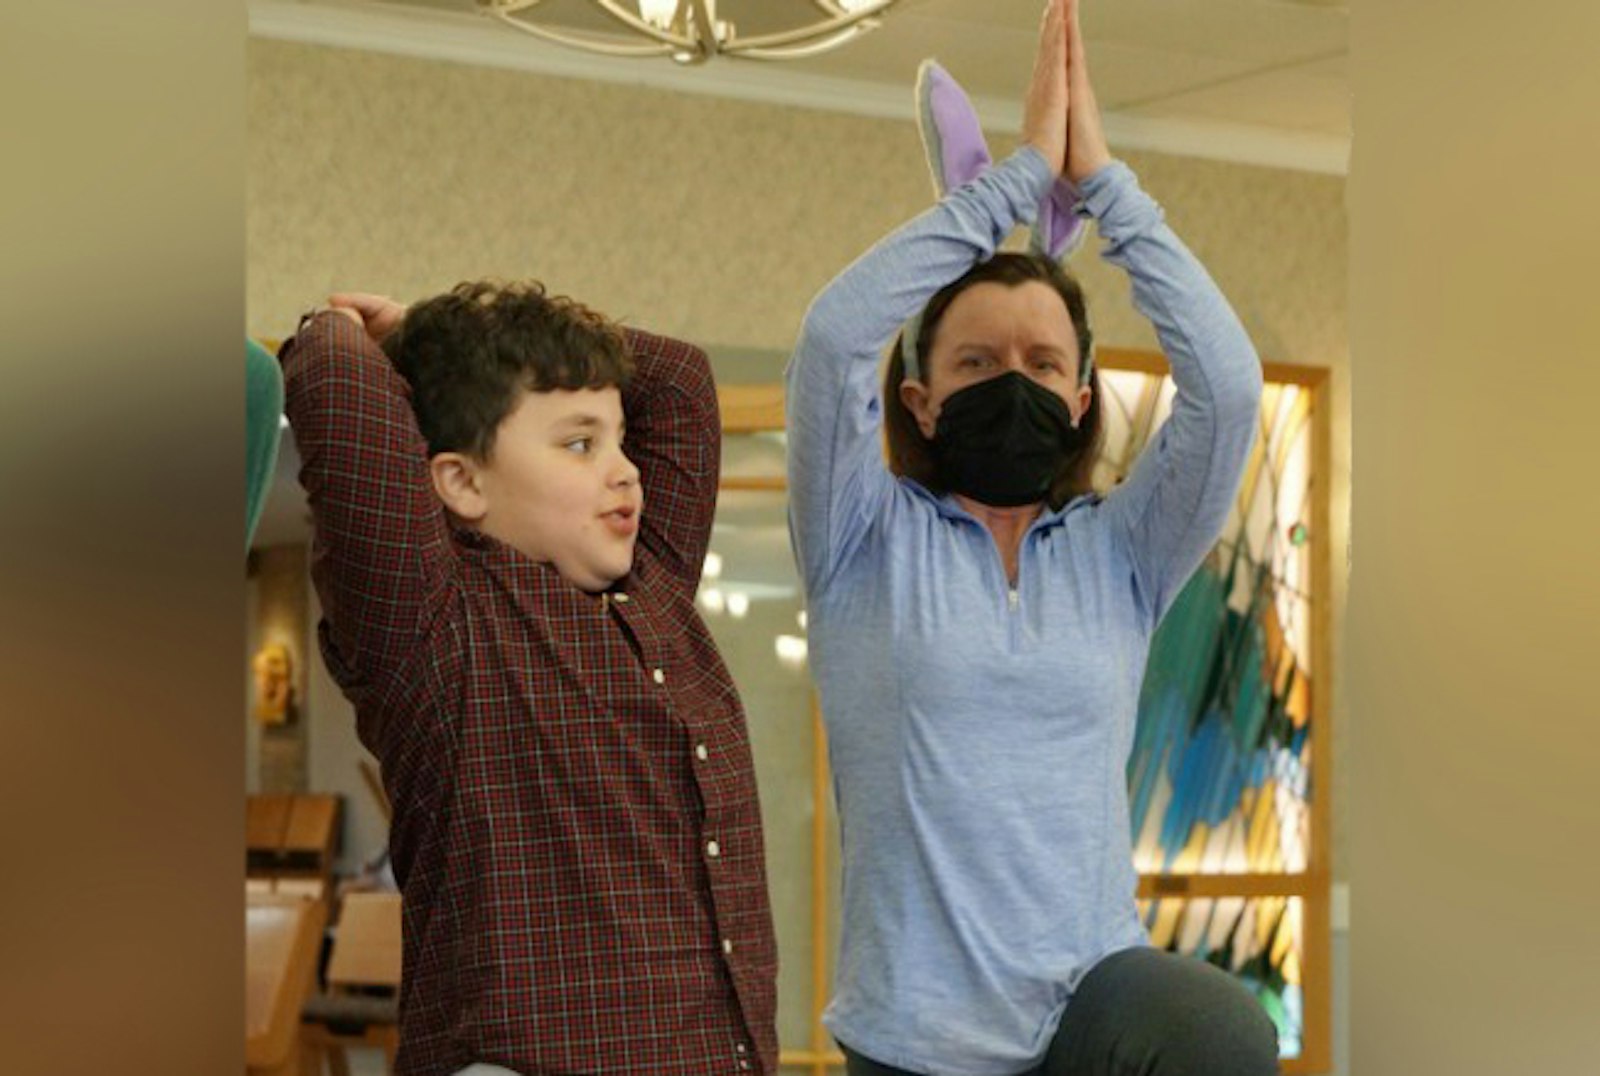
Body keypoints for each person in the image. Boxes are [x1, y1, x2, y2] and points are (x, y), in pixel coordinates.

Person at [784, 1, 1277, 1073]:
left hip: (1088, 1009)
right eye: (974, 361)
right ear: (917, 399)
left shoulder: (1124, 550)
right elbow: (832, 341)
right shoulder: (859, 534)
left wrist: (1100, 183)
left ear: (1083, 394)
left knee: (1221, 1026)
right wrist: (1004, 191)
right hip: (915, 1035)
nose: (1013, 380)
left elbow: (1228, 388)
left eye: (1043, 363)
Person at [279, 281, 777, 1076]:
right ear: (461, 482)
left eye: (620, 439)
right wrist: (423, 340)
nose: (627, 471)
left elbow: (678, 379)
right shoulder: (436, 627)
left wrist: (444, 330)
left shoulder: (653, 588)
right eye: (580, 444)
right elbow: (339, 385)